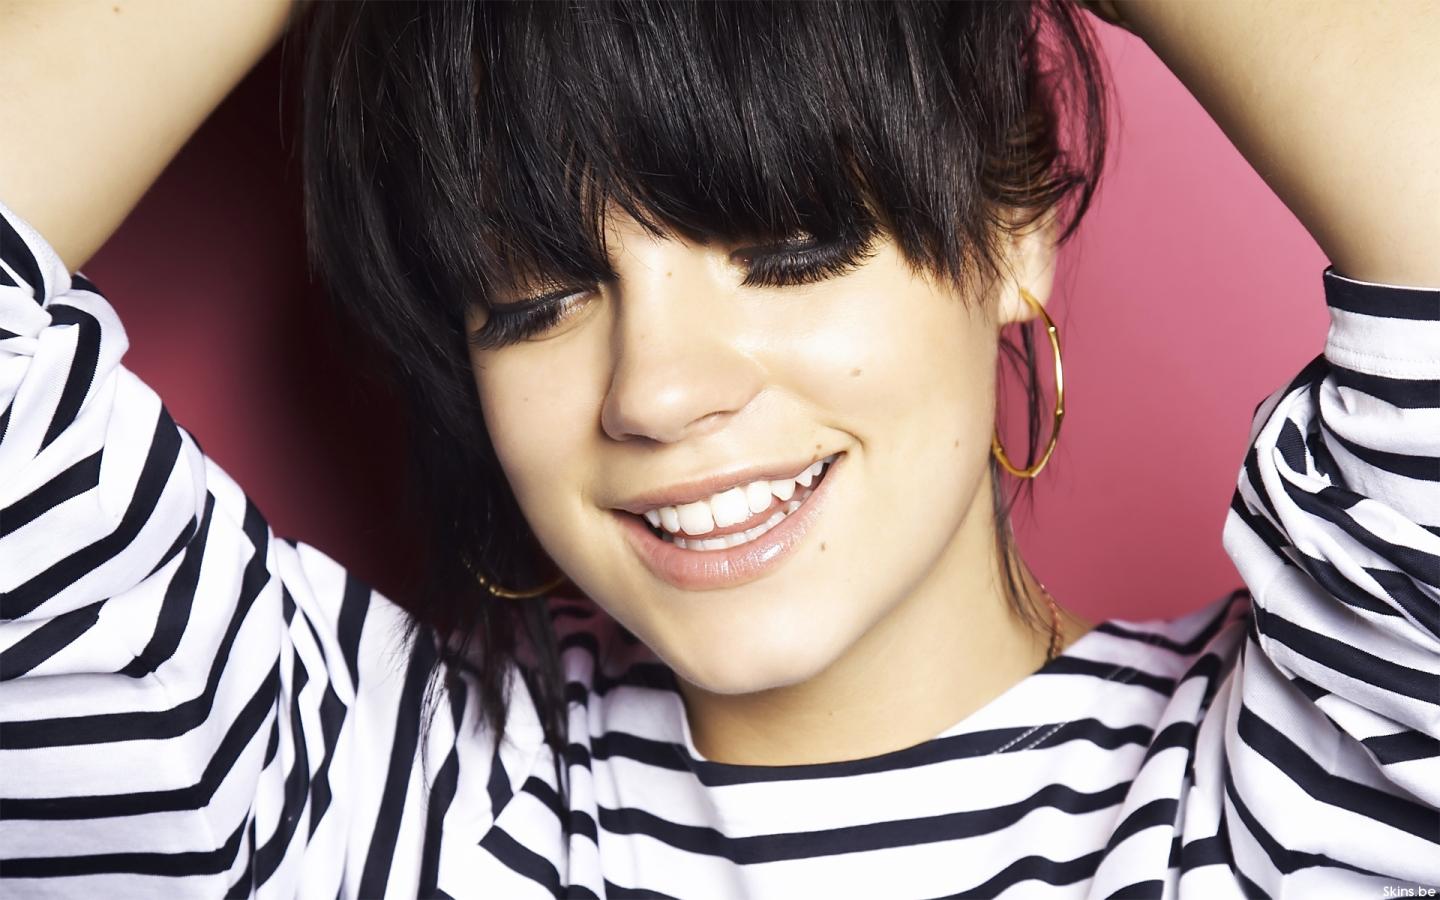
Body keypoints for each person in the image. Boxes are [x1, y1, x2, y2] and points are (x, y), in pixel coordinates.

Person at [0, 1, 1435, 897]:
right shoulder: (370, 815)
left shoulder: (1287, 805)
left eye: (786, 250)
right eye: (538, 303)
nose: (659, 391)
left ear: (1012, 231)